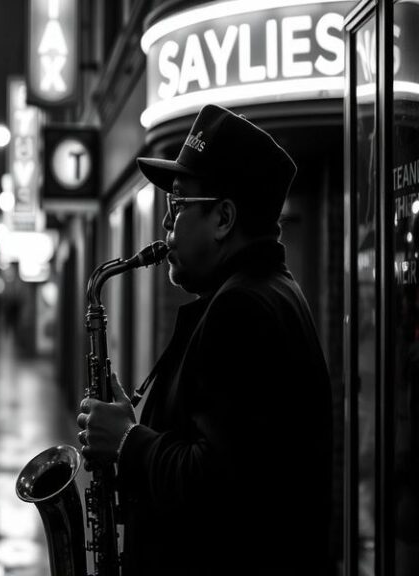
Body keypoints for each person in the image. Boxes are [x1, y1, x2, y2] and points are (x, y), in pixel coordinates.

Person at [76, 104, 332, 575]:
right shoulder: (265, 292)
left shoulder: (242, 309)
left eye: (177, 205)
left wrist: (129, 441)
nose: (166, 226)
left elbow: (219, 485)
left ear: (223, 218)